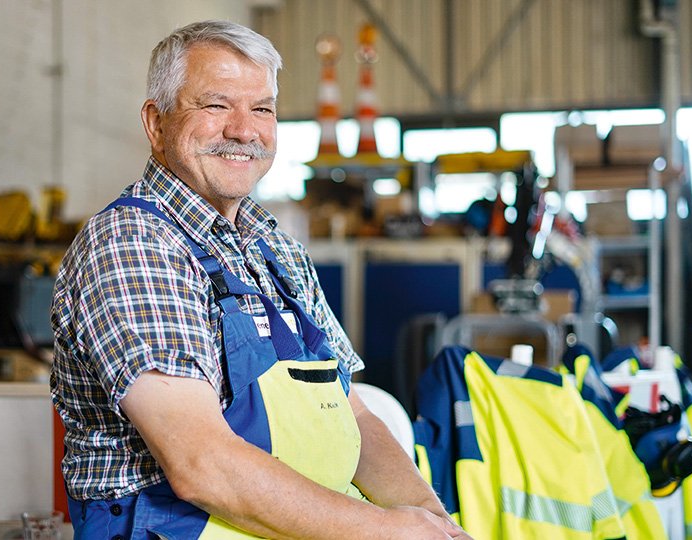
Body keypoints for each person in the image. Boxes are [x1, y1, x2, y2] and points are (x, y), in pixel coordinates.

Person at [50, 20, 474, 540]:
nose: (244, 130)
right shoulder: (132, 243)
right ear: (157, 124)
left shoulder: (278, 251)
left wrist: (436, 523)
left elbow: (353, 414)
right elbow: (202, 464)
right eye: (215, 105)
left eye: (263, 109)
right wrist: (386, 531)